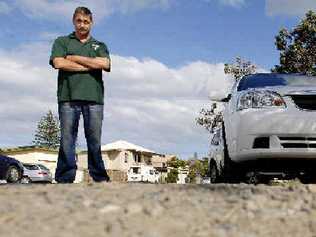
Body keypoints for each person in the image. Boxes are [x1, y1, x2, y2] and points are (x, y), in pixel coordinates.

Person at [49, 6, 111, 183]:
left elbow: (105, 63)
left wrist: (74, 58)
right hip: (67, 98)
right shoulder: (62, 42)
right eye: (79, 21)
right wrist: (90, 65)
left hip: (94, 99)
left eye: (86, 21)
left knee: (94, 140)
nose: (82, 25)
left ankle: (99, 177)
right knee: (67, 139)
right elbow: (59, 62)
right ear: (73, 21)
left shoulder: (100, 45)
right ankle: (64, 177)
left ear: (91, 23)